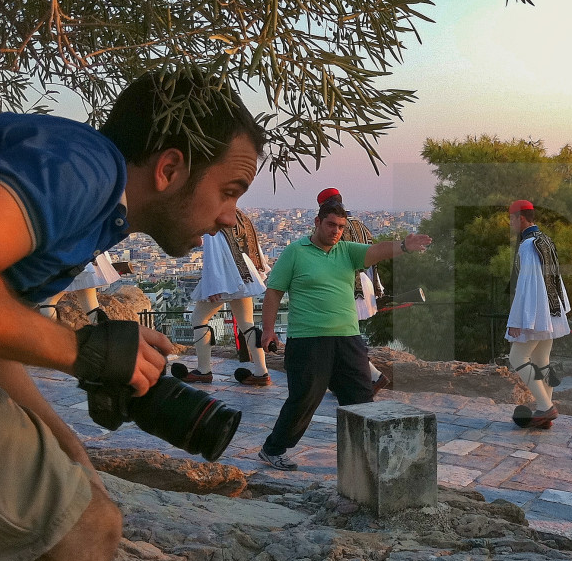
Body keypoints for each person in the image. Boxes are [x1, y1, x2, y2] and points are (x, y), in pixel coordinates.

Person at [0, 69, 263, 561]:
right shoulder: (86, 165)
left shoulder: (95, 211)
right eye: (230, 190)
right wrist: (87, 353)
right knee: (84, 531)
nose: (233, 217)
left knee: (18, 532)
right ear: (171, 168)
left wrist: (69, 450)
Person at [257, 200, 431, 470]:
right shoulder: (294, 252)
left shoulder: (347, 251)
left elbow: (376, 251)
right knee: (305, 398)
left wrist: (404, 246)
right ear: (317, 222)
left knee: (360, 397)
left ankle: (365, 455)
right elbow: (274, 292)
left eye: (341, 226)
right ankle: (273, 449)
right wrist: (268, 330)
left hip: (347, 338)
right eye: (331, 225)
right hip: (308, 339)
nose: (336, 231)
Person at [176, 208, 272, 386]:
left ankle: (203, 370)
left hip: (226, 277)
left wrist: (213, 285)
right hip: (245, 274)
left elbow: (212, 251)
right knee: (247, 325)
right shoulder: (240, 216)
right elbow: (253, 244)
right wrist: (258, 270)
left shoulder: (216, 215)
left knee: (198, 318)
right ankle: (261, 372)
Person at [316, 188, 390, 394]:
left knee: (345, 338)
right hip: (365, 286)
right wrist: (377, 289)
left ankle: (374, 376)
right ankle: (364, 377)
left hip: (347, 287)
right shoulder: (360, 225)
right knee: (345, 337)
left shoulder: (334, 227)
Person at [506, 200, 570, 429]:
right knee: (542, 361)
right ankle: (545, 412)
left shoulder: (527, 245)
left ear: (521, 218)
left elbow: (526, 285)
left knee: (517, 358)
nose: (510, 223)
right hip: (551, 310)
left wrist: (516, 321)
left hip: (537, 312)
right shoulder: (545, 240)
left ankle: (546, 406)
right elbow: (555, 279)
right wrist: (561, 309)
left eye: (512, 219)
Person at [38, 252, 121, 323]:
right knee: (92, 308)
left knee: (47, 304)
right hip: (88, 259)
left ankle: (53, 338)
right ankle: (105, 335)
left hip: (70, 260)